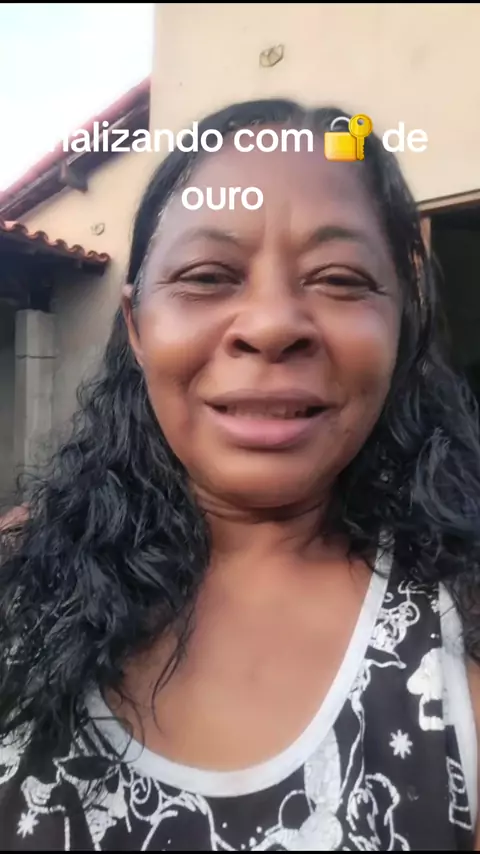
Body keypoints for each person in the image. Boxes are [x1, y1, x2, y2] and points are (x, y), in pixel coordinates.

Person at [1, 97, 480, 852]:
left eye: (340, 278)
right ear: (136, 325)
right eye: (207, 275)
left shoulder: (459, 634)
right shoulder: (17, 584)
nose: (271, 324)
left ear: (401, 322)